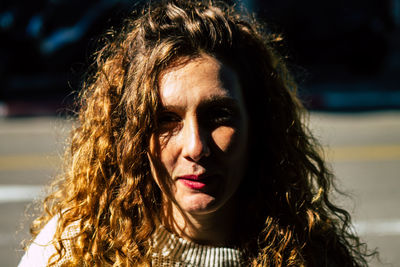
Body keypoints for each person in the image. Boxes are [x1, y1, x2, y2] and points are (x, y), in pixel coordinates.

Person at [19, 0, 373, 266]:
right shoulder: (71, 250)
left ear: (258, 125)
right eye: (165, 119)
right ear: (131, 135)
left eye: (219, 115)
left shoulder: (311, 255)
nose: (195, 147)